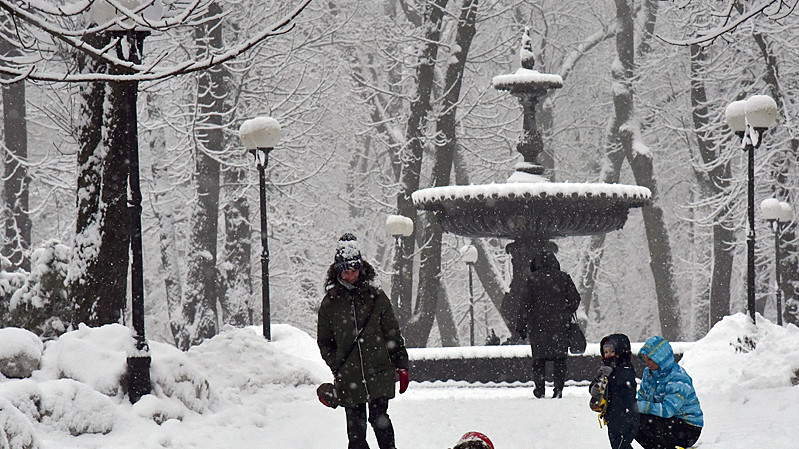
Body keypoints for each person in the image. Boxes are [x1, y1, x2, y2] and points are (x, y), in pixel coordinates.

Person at [317, 233, 410, 449]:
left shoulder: (376, 297)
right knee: (356, 434)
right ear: (338, 270)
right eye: (346, 271)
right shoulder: (330, 304)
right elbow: (324, 341)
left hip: (379, 371)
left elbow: (392, 334)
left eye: (355, 270)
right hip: (349, 376)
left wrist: (401, 365)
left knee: (381, 420)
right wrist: (337, 363)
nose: (351, 275)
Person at [515, 250, 581, 398]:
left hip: (538, 326)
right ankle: (558, 389)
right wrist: (565, 311)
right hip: (560, 326)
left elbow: (524, 305)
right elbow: (575, 299)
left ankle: (540, 389)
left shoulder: (532, 280)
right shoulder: (563, 278)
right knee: (560, 360)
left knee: (538, 360)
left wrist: (521, 326)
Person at [635, 336, 703, 449]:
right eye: (646, 359)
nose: (647, 363)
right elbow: (642, 397)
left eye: (650, 359)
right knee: (631, 420)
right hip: (664, 423)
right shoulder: (648, 373)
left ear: (661, 358)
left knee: (642, 421)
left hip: (688, 427)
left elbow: (668, 410)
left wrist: (638, 407)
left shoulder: (678, 378)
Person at [589, 334, 639, 449]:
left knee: (621, 444)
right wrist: (595, 387)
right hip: (612, 416)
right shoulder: (605, 371)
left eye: (612, 351)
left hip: (627, 416)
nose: (608, 355)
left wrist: (612, 372)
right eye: (605, 352)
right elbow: (597, 384)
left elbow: (623, 379)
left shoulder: (626, 369)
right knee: (617, 444)